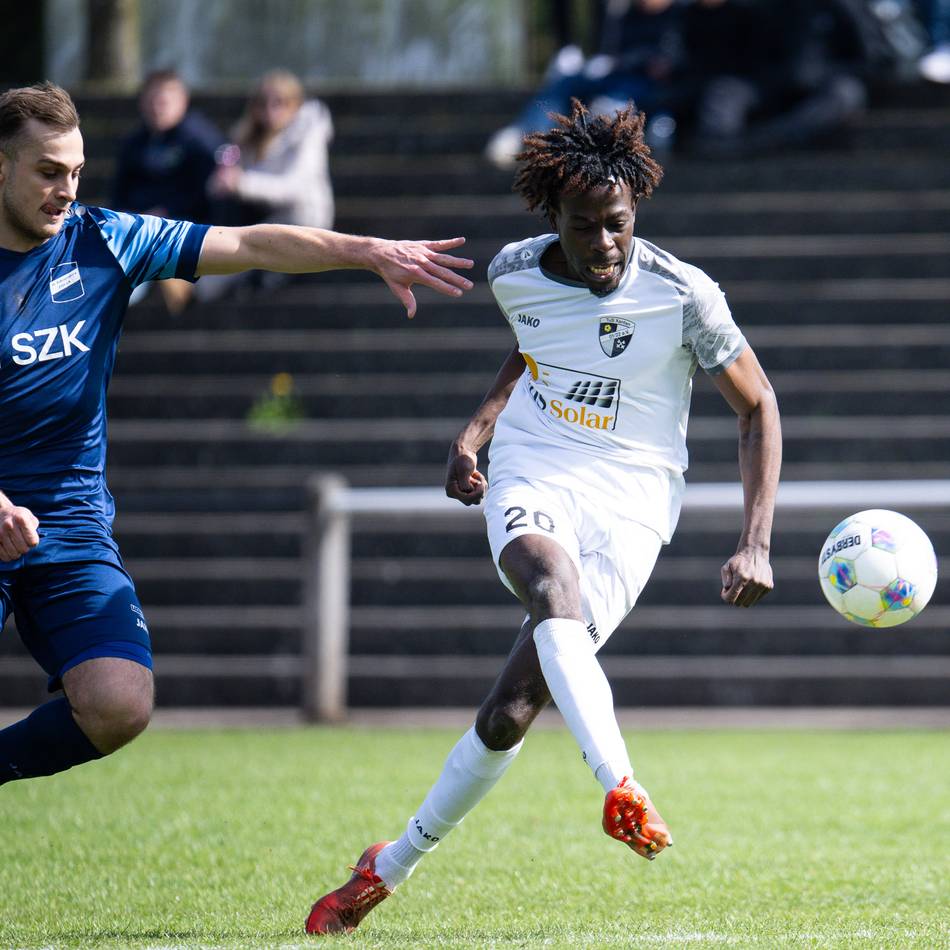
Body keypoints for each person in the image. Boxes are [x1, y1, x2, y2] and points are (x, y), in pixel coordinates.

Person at [305, 99, 782, 935]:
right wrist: (478, 432)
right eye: (586, 226)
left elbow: (758, 407)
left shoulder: (684, 295)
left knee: (511, 711)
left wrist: (756, 542)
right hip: (540, 461)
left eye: (619, 225)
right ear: (550, 215)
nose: (604, 246)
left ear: (637, 212)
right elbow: (534, 341)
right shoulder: (514, 270)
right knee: (552, 585)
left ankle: (387, 865)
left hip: (638, 494)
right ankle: (621, 787)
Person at [0, 81, 473, 787]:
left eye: (75, 171)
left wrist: (366, 249)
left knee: (118, 703)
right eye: (47, 172)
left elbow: (250, 242)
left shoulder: (105, 239)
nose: (66, 189)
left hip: (70, 523)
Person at [113, 70, 223, 313]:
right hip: (137, 228)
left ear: (182, 101)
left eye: (163, 102)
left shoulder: (201, 141)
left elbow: (208, 195)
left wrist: (167, 211)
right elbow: (119, 194)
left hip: (183, 230)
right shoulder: (134, 142)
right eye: (150, 101)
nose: (156, 108)